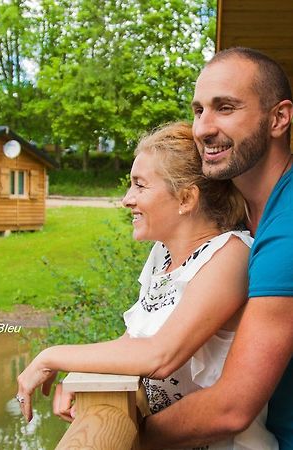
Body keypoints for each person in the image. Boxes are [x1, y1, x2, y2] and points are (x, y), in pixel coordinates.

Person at [16, 121, 278, 448]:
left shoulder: (230, 255)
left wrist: (51, 356)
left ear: (185, 198)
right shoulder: (162, 255)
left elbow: (160, 355)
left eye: (140, 186)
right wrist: (82, 375)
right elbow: (132, 343)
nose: (127, 199)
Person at [136, 48, 293, 450]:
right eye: (198, 110)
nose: (203, 128)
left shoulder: (287, 229)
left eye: (225, 108)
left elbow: (232, 408)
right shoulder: (238, 221)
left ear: (279, 118)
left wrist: (133, 438)